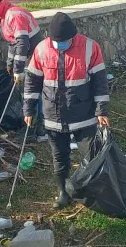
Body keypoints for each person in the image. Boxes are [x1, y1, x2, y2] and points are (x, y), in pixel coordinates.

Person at [24, 13, 110, 209]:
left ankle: (88, 191)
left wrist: (101, 111)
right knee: (59, 157)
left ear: (73, 36)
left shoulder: (89, 47)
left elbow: (100, 82)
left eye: (65, 42)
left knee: (91, 155)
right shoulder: (42, 49)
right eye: (57, 42)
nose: (61, 45)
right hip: (53, 115)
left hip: (83, 114)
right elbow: (32, 82)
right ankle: (63, 192)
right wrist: (28, 109)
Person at [0, 0, 48, 142]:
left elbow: (23, 43)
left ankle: (33, 130)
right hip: (32, 55)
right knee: (32, 93)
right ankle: (38, 129)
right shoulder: (4, 16)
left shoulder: (13, 16)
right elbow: (13, 43)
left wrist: (18, 70)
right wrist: (10, 64)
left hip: (36, 56)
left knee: (31, 93)